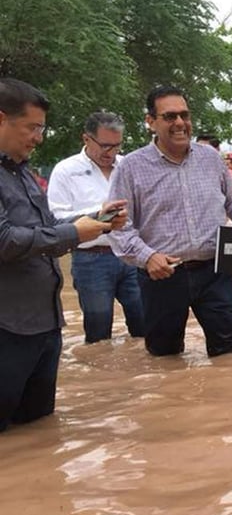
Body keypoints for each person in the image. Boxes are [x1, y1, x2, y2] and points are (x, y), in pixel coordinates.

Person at [0, 79, 126, 431]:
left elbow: (47, 226)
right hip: (8, 327)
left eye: (41, 128)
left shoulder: (21, 172)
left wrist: (96, 220)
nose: (38, 137)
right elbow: (5, 241)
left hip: (44, 324)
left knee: (39, 431)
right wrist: (75, 232)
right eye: (32, 127)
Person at [108, 86, 232, 358]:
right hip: (162, 275)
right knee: (165, 359)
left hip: (215, 272)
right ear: (150, 121)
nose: (180, 123)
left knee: (231, 355)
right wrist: (147, 256)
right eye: (169, 116)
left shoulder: (210, 158)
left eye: (184, 115)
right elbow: (118, 226)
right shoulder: (130, 167)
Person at [47, 111, 145, 343]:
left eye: (117, 146)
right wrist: (99, 215)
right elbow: (55, 219)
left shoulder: (128, 166)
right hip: (91, 259)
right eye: (105, 146)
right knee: (98, 333)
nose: (111, 152)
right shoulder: (66, 170)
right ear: (86, 139)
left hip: (132, 255)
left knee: (146, 323)